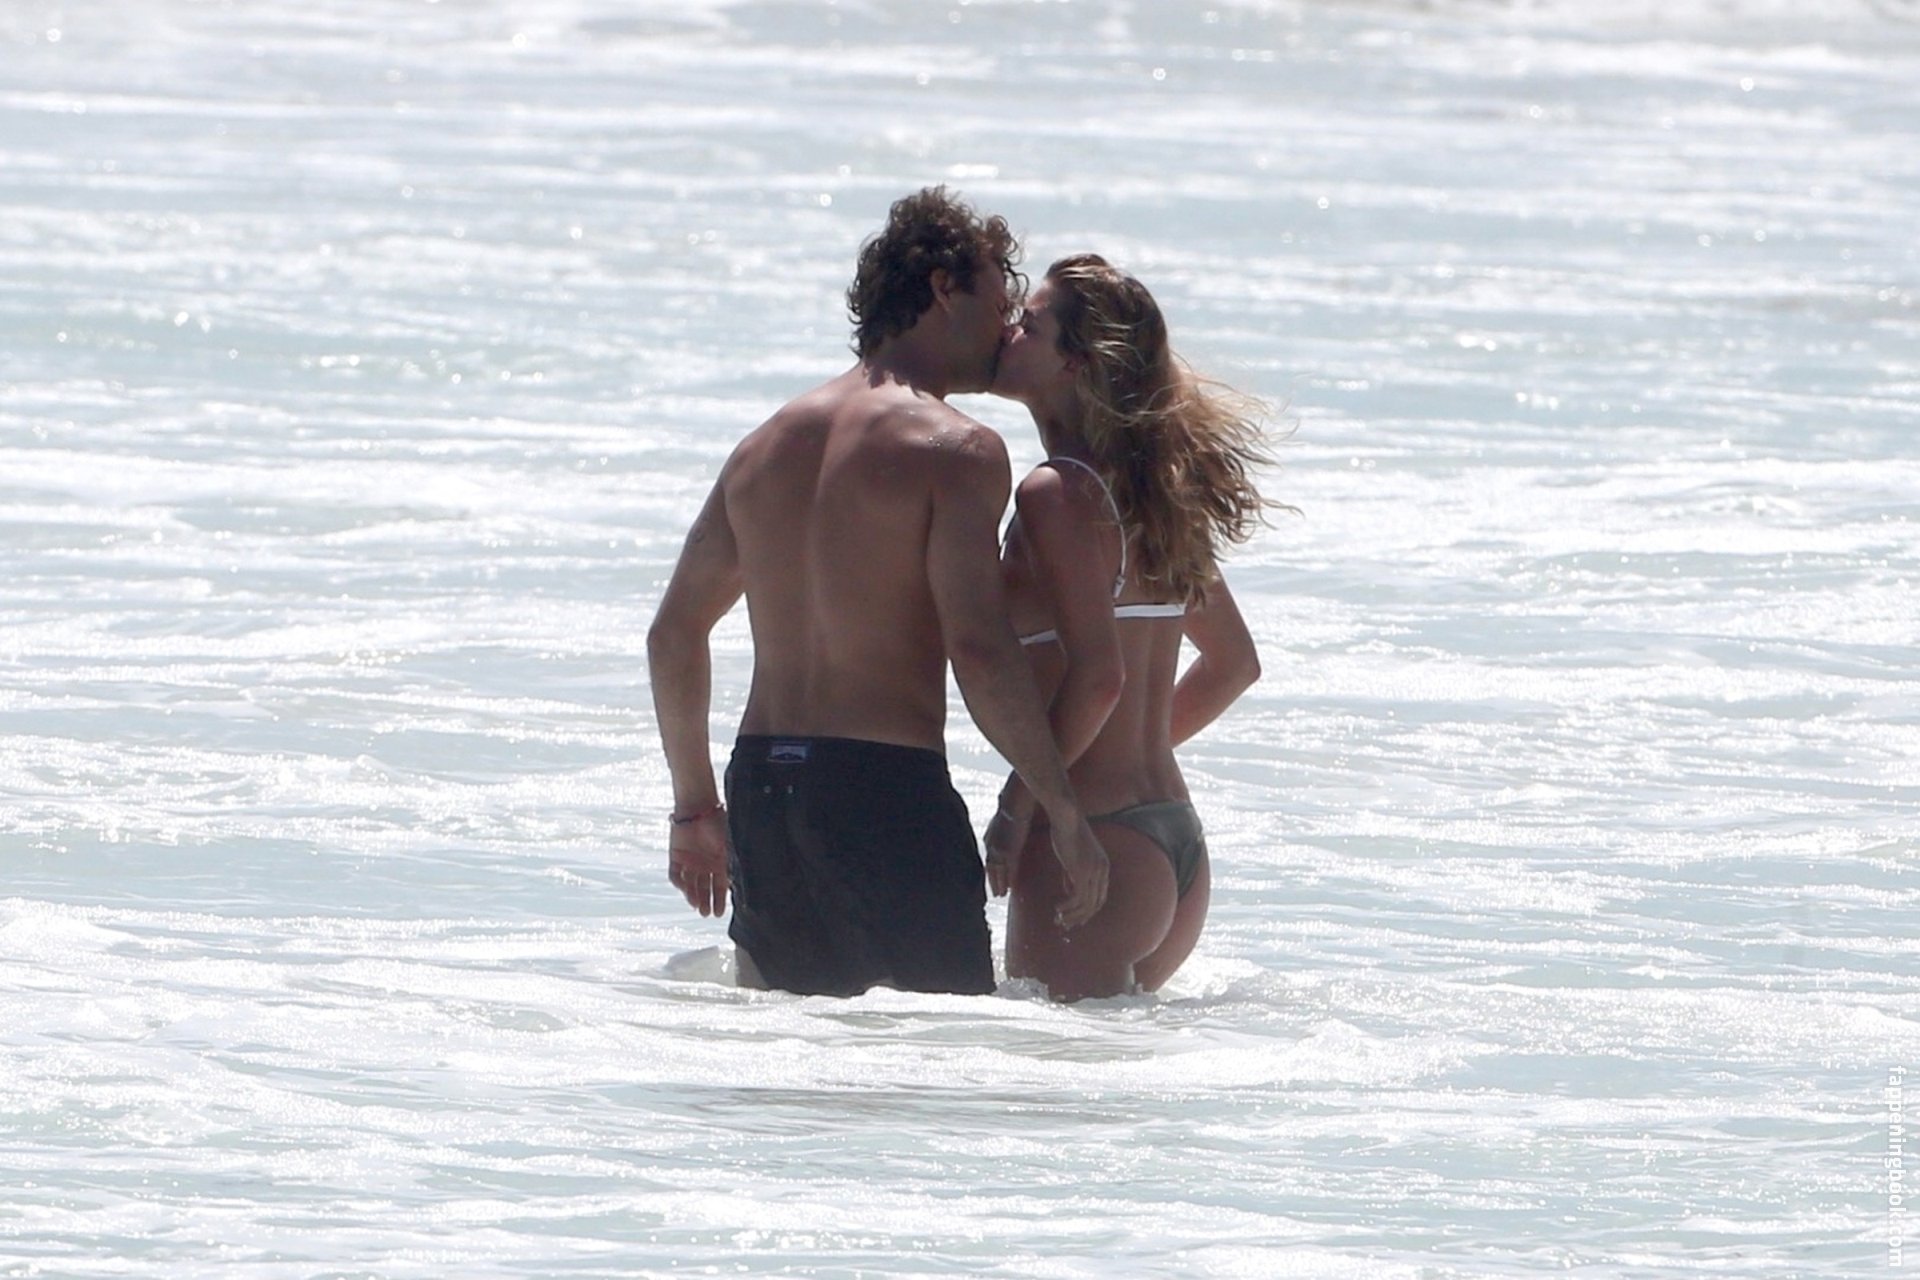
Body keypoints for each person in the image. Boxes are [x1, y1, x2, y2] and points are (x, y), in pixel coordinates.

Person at [647, 189, 1110, 998]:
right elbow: (978, 647)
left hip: (761, 791)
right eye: (997, 302)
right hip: (881, 789)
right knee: (939, 1052)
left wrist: (695, 810)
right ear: (942, 288)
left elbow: (674, 633)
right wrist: (1060, 808)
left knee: (797, 1054)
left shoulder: (764, 445)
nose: (1006, 329)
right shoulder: (956, 449)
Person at [985, 253, 1280, 1001]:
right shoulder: (1153, 499)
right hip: (1173, 841)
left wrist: (1017, 809)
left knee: (1051, 1071)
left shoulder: (1055, 494)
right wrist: (1133, 751)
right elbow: (1233, 664)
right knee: (1105, 1068)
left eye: (1029, 325)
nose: (1008, 331)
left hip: (1092, 840)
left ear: (1076, 361)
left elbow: (1099, 678)